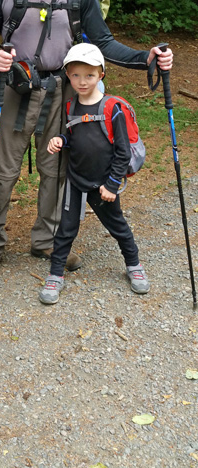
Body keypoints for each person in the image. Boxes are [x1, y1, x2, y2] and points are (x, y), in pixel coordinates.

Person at [0, 0, 173, 283]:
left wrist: (145, 57)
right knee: (2, 170)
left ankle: (47, 240)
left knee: (58, 170)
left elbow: (103, 43)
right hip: (16, 87)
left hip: (63, 92)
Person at [39, 43, 149, 304]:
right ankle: (55, 275)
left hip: (103, 184)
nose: (82, 81)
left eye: (89, 75)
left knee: (118, 226)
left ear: (101, 75)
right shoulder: (70, 107)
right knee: (66, 229)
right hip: (76, 181)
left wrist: (111, 185)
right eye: (75, 75)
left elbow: (122, 152)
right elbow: (72, 136)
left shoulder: (113, 109)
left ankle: (133, 265)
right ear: (68, 75)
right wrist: (60, 141)